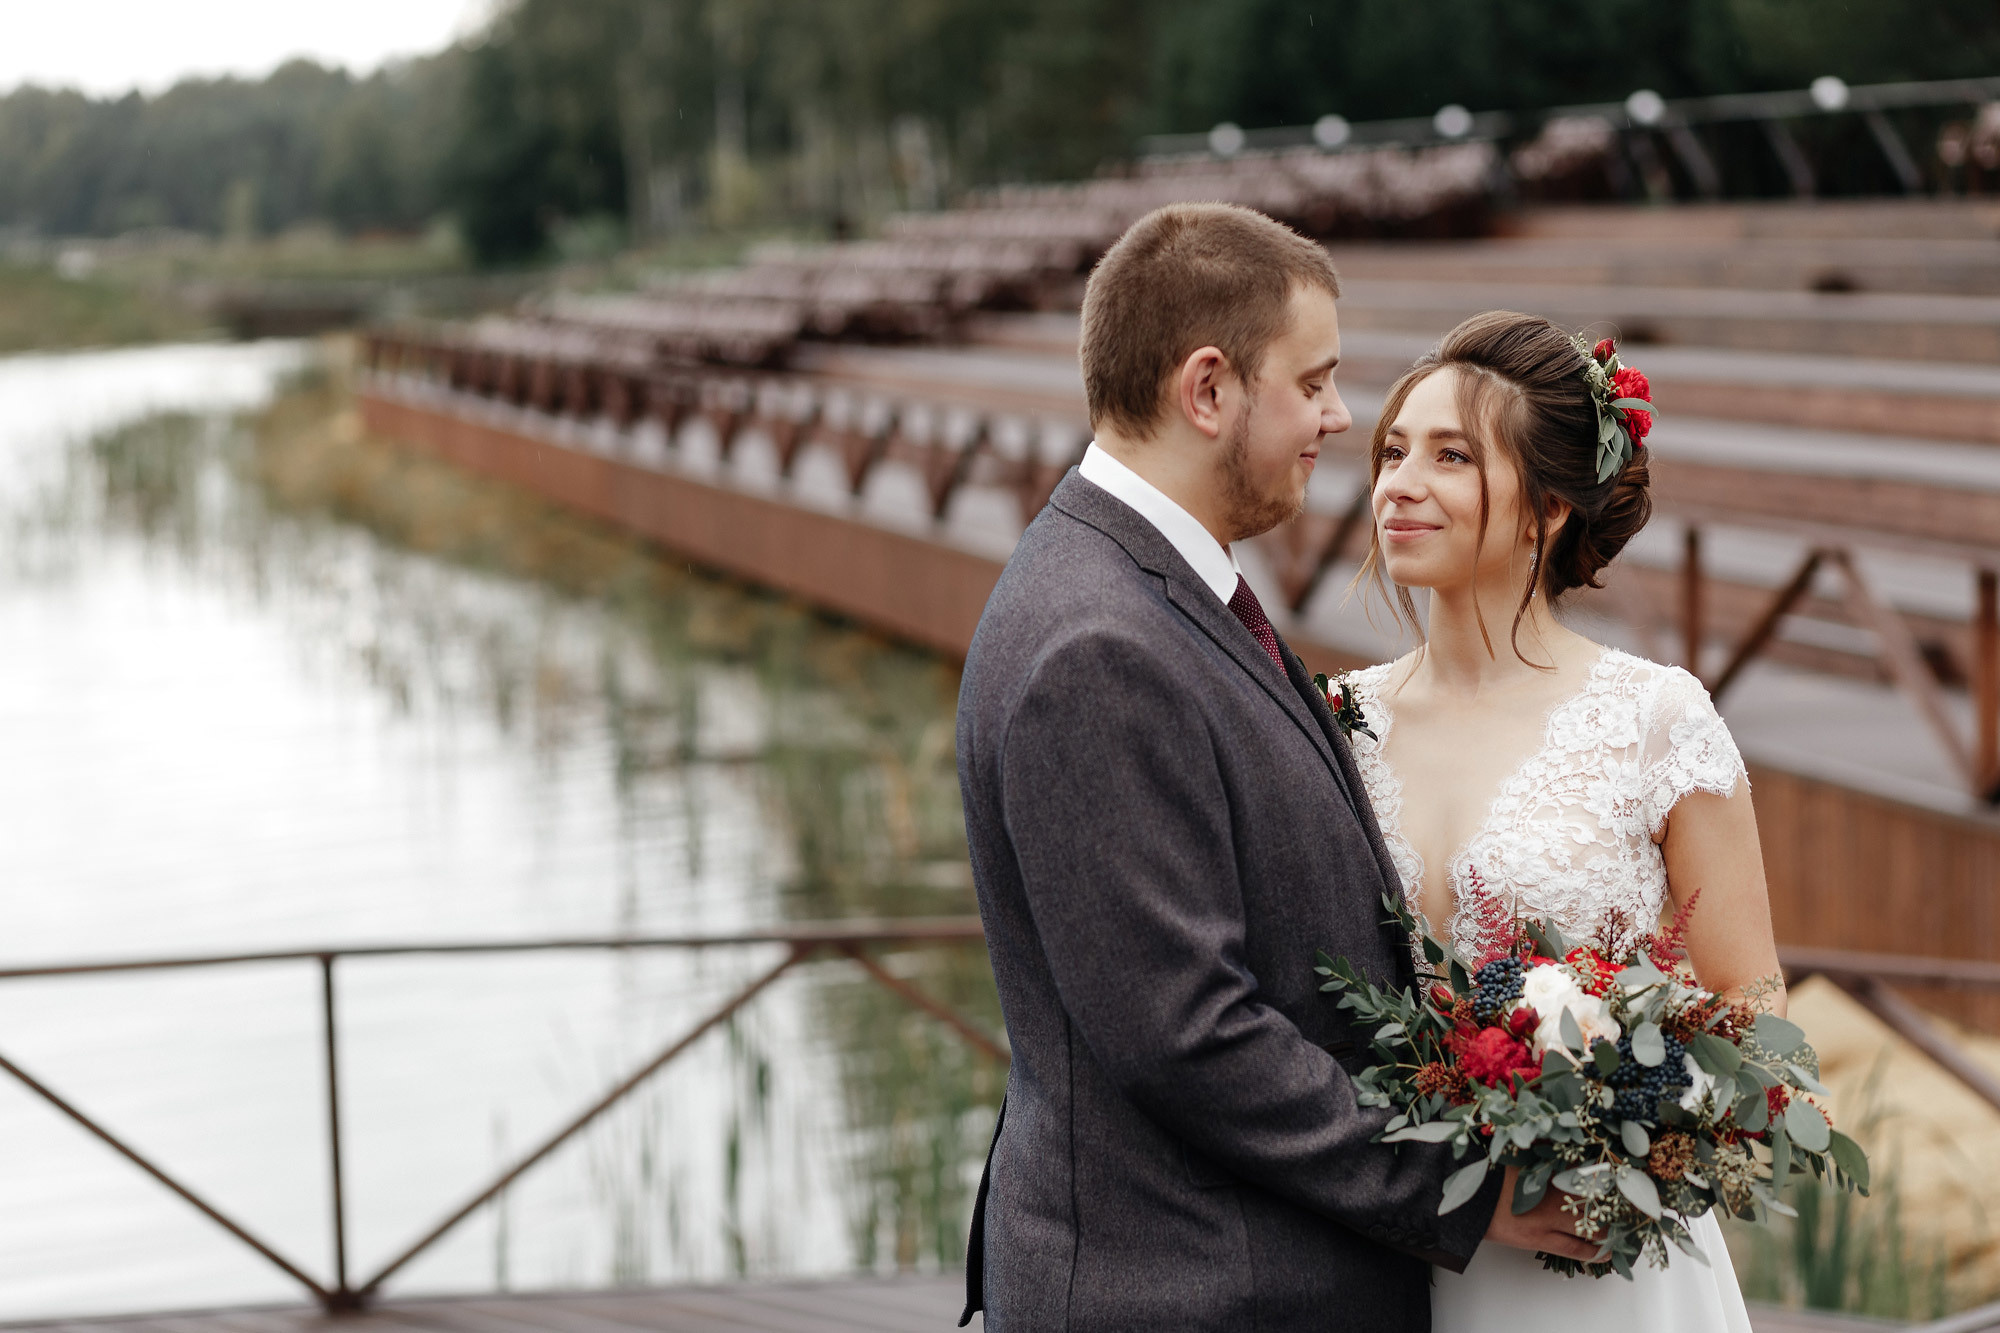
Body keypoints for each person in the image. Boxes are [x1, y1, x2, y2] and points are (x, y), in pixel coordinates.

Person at [954, 204, 1593, 1332]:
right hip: (1193, 1289)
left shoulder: (1149, 585)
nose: (1340, 418)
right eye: (1312, 382)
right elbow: (1185, 1031)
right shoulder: (1096, 644)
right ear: (1207, 390)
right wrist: (1465, 1181)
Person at [1344, 310, 1780, 1332]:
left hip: (1602, 1264)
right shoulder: (1336, 721)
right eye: (1392, 450)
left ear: (1544, 508)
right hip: (1400, 1253)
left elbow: (1750, 1012)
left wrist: (1625, 1119)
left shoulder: (1653, 720)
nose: (1397, 483)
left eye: (1449, 456)